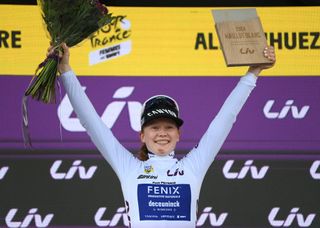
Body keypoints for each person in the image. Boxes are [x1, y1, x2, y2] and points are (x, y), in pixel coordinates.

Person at [52, 43, 275, 228]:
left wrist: (253, 72)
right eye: (154, 127)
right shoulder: (129, 167)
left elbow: (224, 120)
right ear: (142, 135)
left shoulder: (192, 167)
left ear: (179, 134)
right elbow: (91, 122)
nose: (161, 133)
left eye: (168, 127)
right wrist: (66, 70)